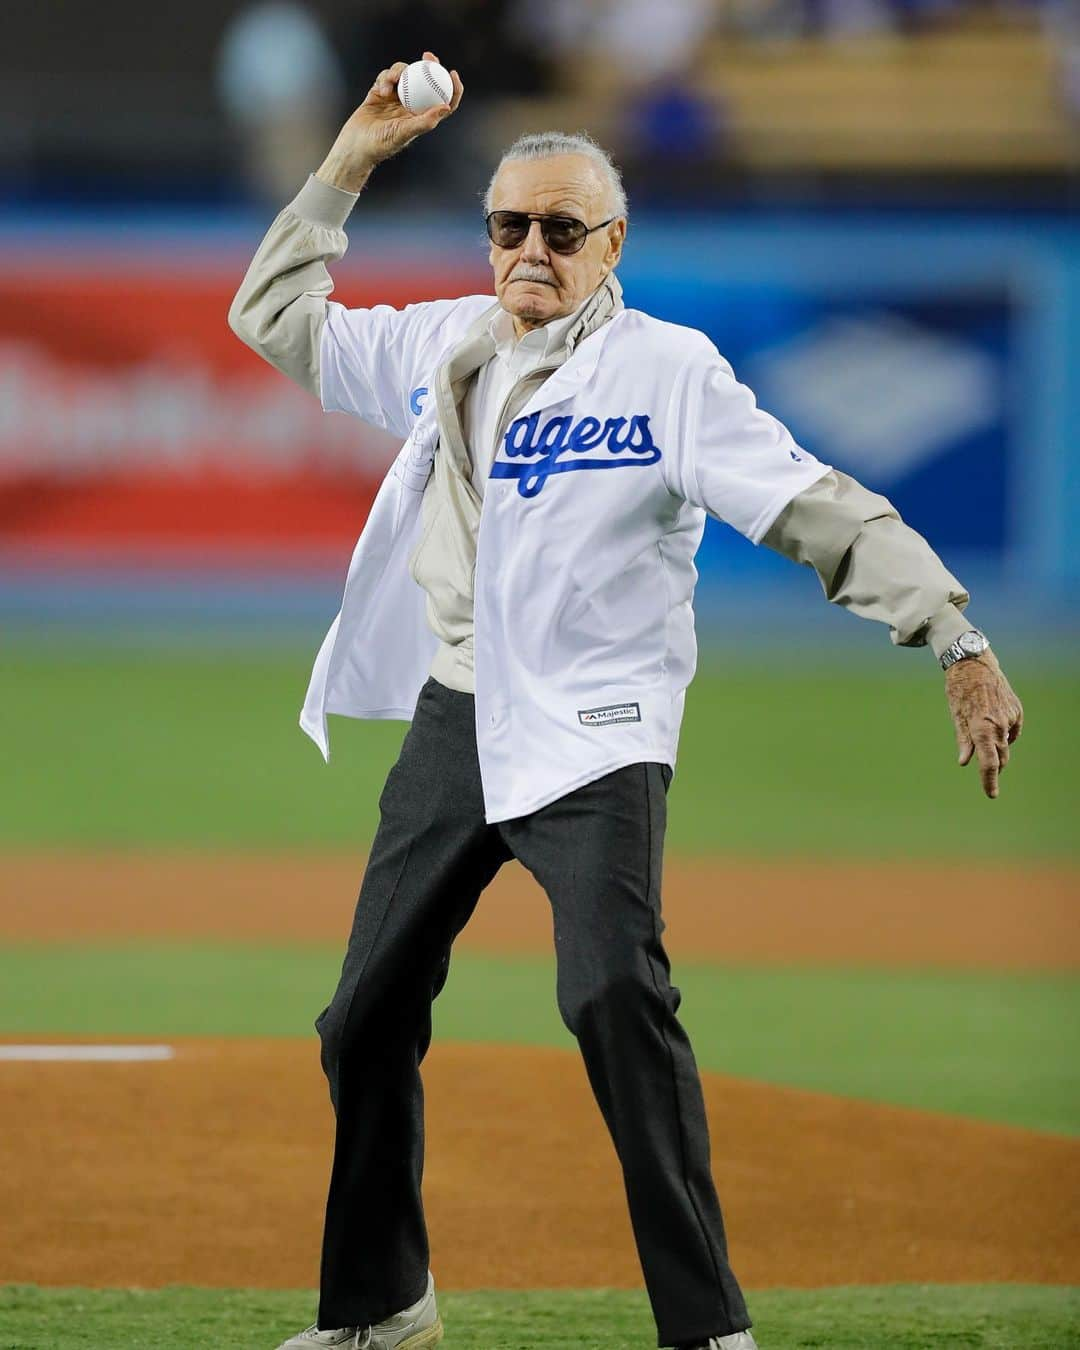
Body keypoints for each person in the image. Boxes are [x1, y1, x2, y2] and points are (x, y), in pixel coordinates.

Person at [228, 52, 1023, 1350]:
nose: (530, 248)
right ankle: (381, 1304)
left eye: (560, 228)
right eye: (508, 225)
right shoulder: (448, 341)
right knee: (362, 1016)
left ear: (613, 244)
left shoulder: (668, 373)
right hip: (460, 714)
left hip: (595, 732)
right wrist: (355, 156)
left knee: (612, 997)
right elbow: (275, 315)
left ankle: (707, 1328)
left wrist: (955, 634)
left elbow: (817, 506)